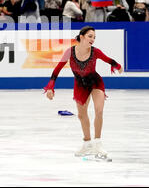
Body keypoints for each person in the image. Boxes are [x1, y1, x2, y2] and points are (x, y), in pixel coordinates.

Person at [44, 26, 123, 158]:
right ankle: (87, 144)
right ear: (82, 37)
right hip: (80, 85)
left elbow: (109, 60)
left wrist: (118, 66)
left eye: (94, 37)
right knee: (82, 115)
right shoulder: (70, 52)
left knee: (99, 111)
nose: (93, 39)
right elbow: (57, 69)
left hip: (95, 83)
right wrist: (50, 87)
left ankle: (98, 143)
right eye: (90, 36)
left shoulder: (95, 51)